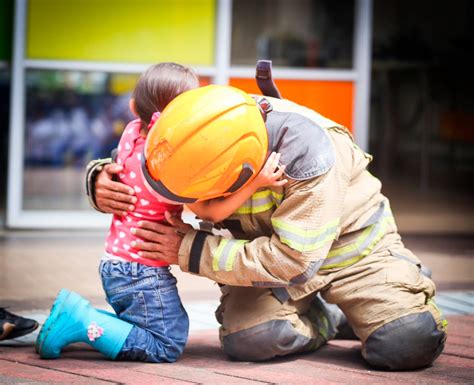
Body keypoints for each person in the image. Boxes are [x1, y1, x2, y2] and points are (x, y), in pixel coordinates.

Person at [86, 84, 447, 371]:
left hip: (353, 254)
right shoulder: (206, 123)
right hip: (271, 266)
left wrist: (190, 250)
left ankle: (390, 282)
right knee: (251, 339)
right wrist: (102, 178)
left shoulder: (311, 153)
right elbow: (152, 150)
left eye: (198, 197)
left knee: (407, 341)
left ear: (239, 174)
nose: (191, 206)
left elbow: (294, 262)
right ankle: (332, 317)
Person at [37, 64, 287, 363]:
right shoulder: (166, 165)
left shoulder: (131, 135)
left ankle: (77, 317)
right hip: (140, 271)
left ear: (133, 108)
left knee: (151, 328)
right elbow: (211, 209)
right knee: (165, 343)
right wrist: (256, 182)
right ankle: (80, 319)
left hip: (118, 264)